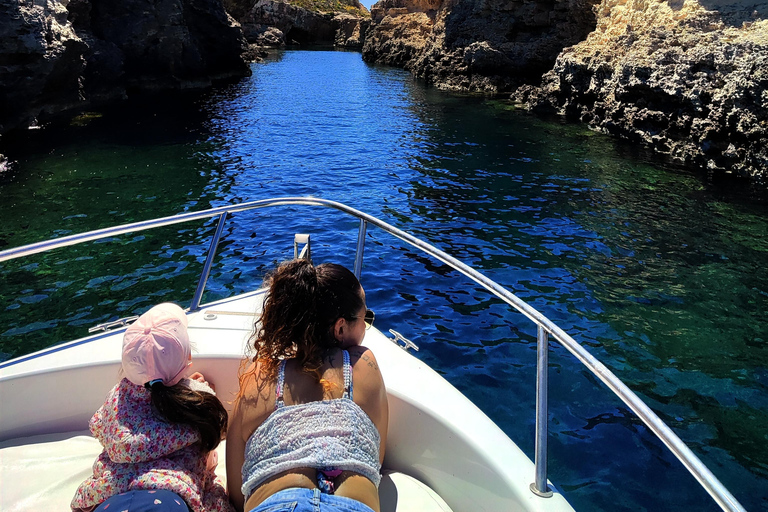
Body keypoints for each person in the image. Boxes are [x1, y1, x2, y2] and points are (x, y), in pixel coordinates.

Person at [226, 260, 388, 512]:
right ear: (340, 327)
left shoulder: (260, 375)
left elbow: (237, 492)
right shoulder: (364, 365)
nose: (366, 326)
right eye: (364, 317)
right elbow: (374, 461)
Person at [71, 302, 234, 512]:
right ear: (189, 358)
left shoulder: (117, 398)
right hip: (172, 496)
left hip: (111, 494)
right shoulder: (200, 398)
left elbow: (100, 428)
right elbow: (216, 433)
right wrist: (200, 390)